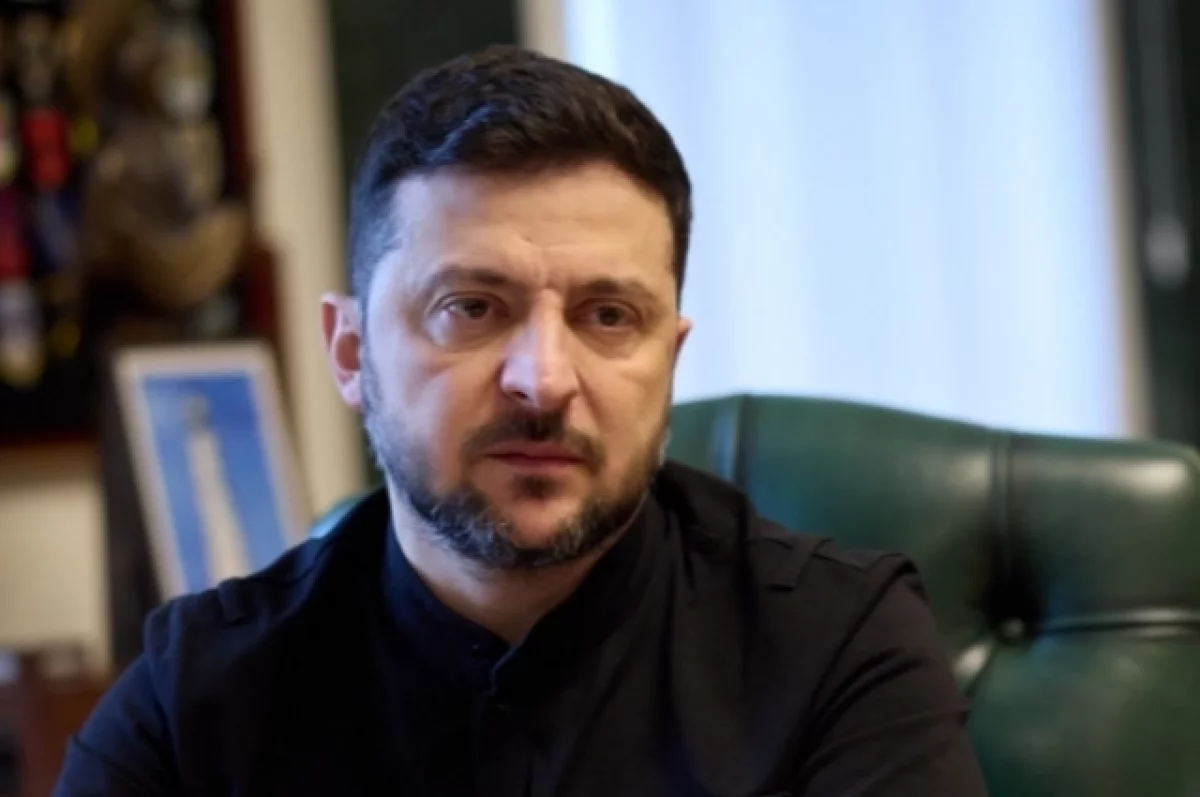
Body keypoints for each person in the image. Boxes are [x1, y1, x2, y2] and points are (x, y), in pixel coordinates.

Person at [55, 45, 988, 796]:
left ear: (668, 358)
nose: (542, 380)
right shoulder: (197, 699)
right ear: (350, 351)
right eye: (471, 307)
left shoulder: (836, 651)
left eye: (608, 316)